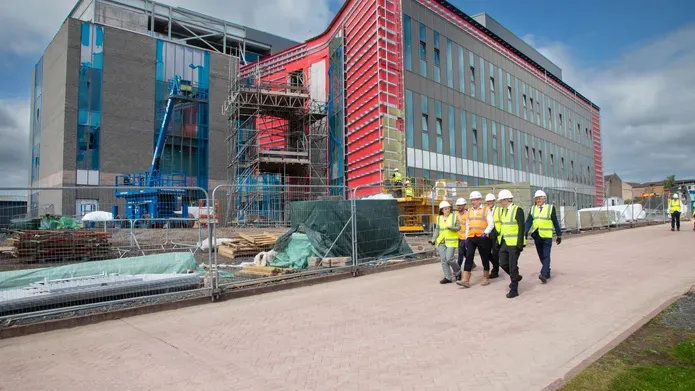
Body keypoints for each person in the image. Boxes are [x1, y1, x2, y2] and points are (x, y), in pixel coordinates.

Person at [457, 191, 494, 288]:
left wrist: (486, 233)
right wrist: (466, 238)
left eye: (475, 200)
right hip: (471, 237)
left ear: (480, 200)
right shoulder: (469, 211)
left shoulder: (486, 210)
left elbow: (491, 223)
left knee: (484, 257)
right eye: (472, 200)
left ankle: (486, 277)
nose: (473, 202)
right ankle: (465, 280)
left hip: (482, 238)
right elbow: (467, 225)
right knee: (469, 257)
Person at [493, 190, 525, 298]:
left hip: (514, 244)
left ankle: (514, 289)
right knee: (503, 264)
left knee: (512, 266)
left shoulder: (517, 210)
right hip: (505, 242)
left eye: (501, 200)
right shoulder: (503, 211)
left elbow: (521, 228)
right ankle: (515, 276)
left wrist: (520, 243)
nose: (500, 203)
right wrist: (499, 240)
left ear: (506, 200)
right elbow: (503, 226)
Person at [525, 190, 562, 284]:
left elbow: (555, 221)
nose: (538, 200)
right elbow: (529, 221)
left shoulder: (550, 208)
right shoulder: (532, 209)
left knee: (546, 255)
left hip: (547, 236)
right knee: (541, 255)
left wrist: (559, 235)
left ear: (544, 199)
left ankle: (543, 274)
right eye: (537, 199)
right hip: (537, 235)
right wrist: (524, 232)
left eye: (540, 198)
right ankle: (547, 271)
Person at [429, 200, 461, 284]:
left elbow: (458, 228)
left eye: (448, 208)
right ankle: (448, 277)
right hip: (441, 242)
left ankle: (458, 272)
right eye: (445, 209)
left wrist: (451, 228)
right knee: (443, 260)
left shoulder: (454, 217)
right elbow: (437, 230)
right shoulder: (439, 218)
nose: (447, 210)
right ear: (442, 210)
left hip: (451, 241)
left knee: (449, 258)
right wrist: (433, 239)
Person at [454, 198, 477, 272]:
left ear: (464, 205)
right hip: (458, 236)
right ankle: (471, 263)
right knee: (463, 251)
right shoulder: (455, 214)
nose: (459, 207)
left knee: (460, 253)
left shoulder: (468, 214)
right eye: (458, 205)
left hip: (465, 236)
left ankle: (457, 269)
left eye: (461, 205)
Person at [485, 193, 500, 279]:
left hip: (496, 233)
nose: (489, 202)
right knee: (487, 252)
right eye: (488, 201)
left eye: (491, 201)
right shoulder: (486, 210)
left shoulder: (498, 210)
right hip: (487, 233)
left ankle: (495, 271)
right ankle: (496, 264)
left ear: (494, 201)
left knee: (495, 253)